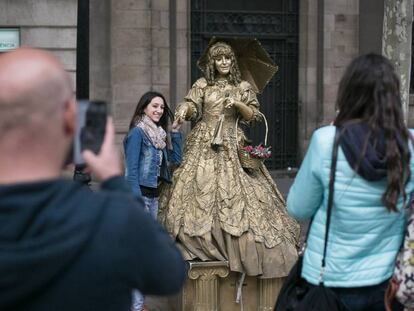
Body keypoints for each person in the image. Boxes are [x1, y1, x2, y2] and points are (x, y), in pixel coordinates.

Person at [0, 48, 186, 311]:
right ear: (69, 122)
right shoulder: (108, 218)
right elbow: (170, 273)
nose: (159, 110)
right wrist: (112, 178)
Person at [159, 41, 300, 279]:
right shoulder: (203, 84)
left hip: (233, 143)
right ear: (212, 62)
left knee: (240, 195)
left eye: (227, 58)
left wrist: (237, 103)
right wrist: (184, 111)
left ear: (232, 61)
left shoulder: (243, 86)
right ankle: (201, 241)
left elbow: (254, 115)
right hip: (204, 141)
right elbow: (192, 104)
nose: (223, 62)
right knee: (197, 189)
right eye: (219, 58)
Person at [287, 53, 412, 311]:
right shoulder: (409, 145)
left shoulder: (326, 142)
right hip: (388, 286)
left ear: (348, 93)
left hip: (329, 283)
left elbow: (297, 208)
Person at [123, 91, 182, 311]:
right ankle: (135, 306)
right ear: (144, 107)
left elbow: (175, 161)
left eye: (162, 108)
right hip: (139, 200)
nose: (158, 111)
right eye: (154, 106)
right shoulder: (138, 133)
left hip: (153, 198)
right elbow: (131, 172)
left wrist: (175, 133)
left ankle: (136, 303)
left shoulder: (158, 135)